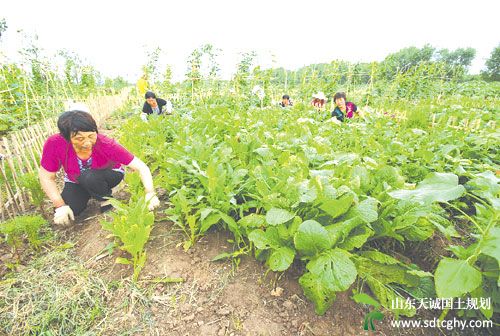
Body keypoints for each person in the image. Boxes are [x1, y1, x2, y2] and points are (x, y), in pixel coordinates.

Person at [39, 110, 160, 226]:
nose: (87, 142)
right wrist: (60, 206)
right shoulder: (55, 144)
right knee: (71, 209)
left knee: (89, 177)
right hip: (76, 180)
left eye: (91, 136)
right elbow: (47, 177)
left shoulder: (106, 144)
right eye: (79, 139)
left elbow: (141, 167)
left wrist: (150, 193)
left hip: (108, 175)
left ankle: (106, 199)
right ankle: (89, 192)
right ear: (66, 138)